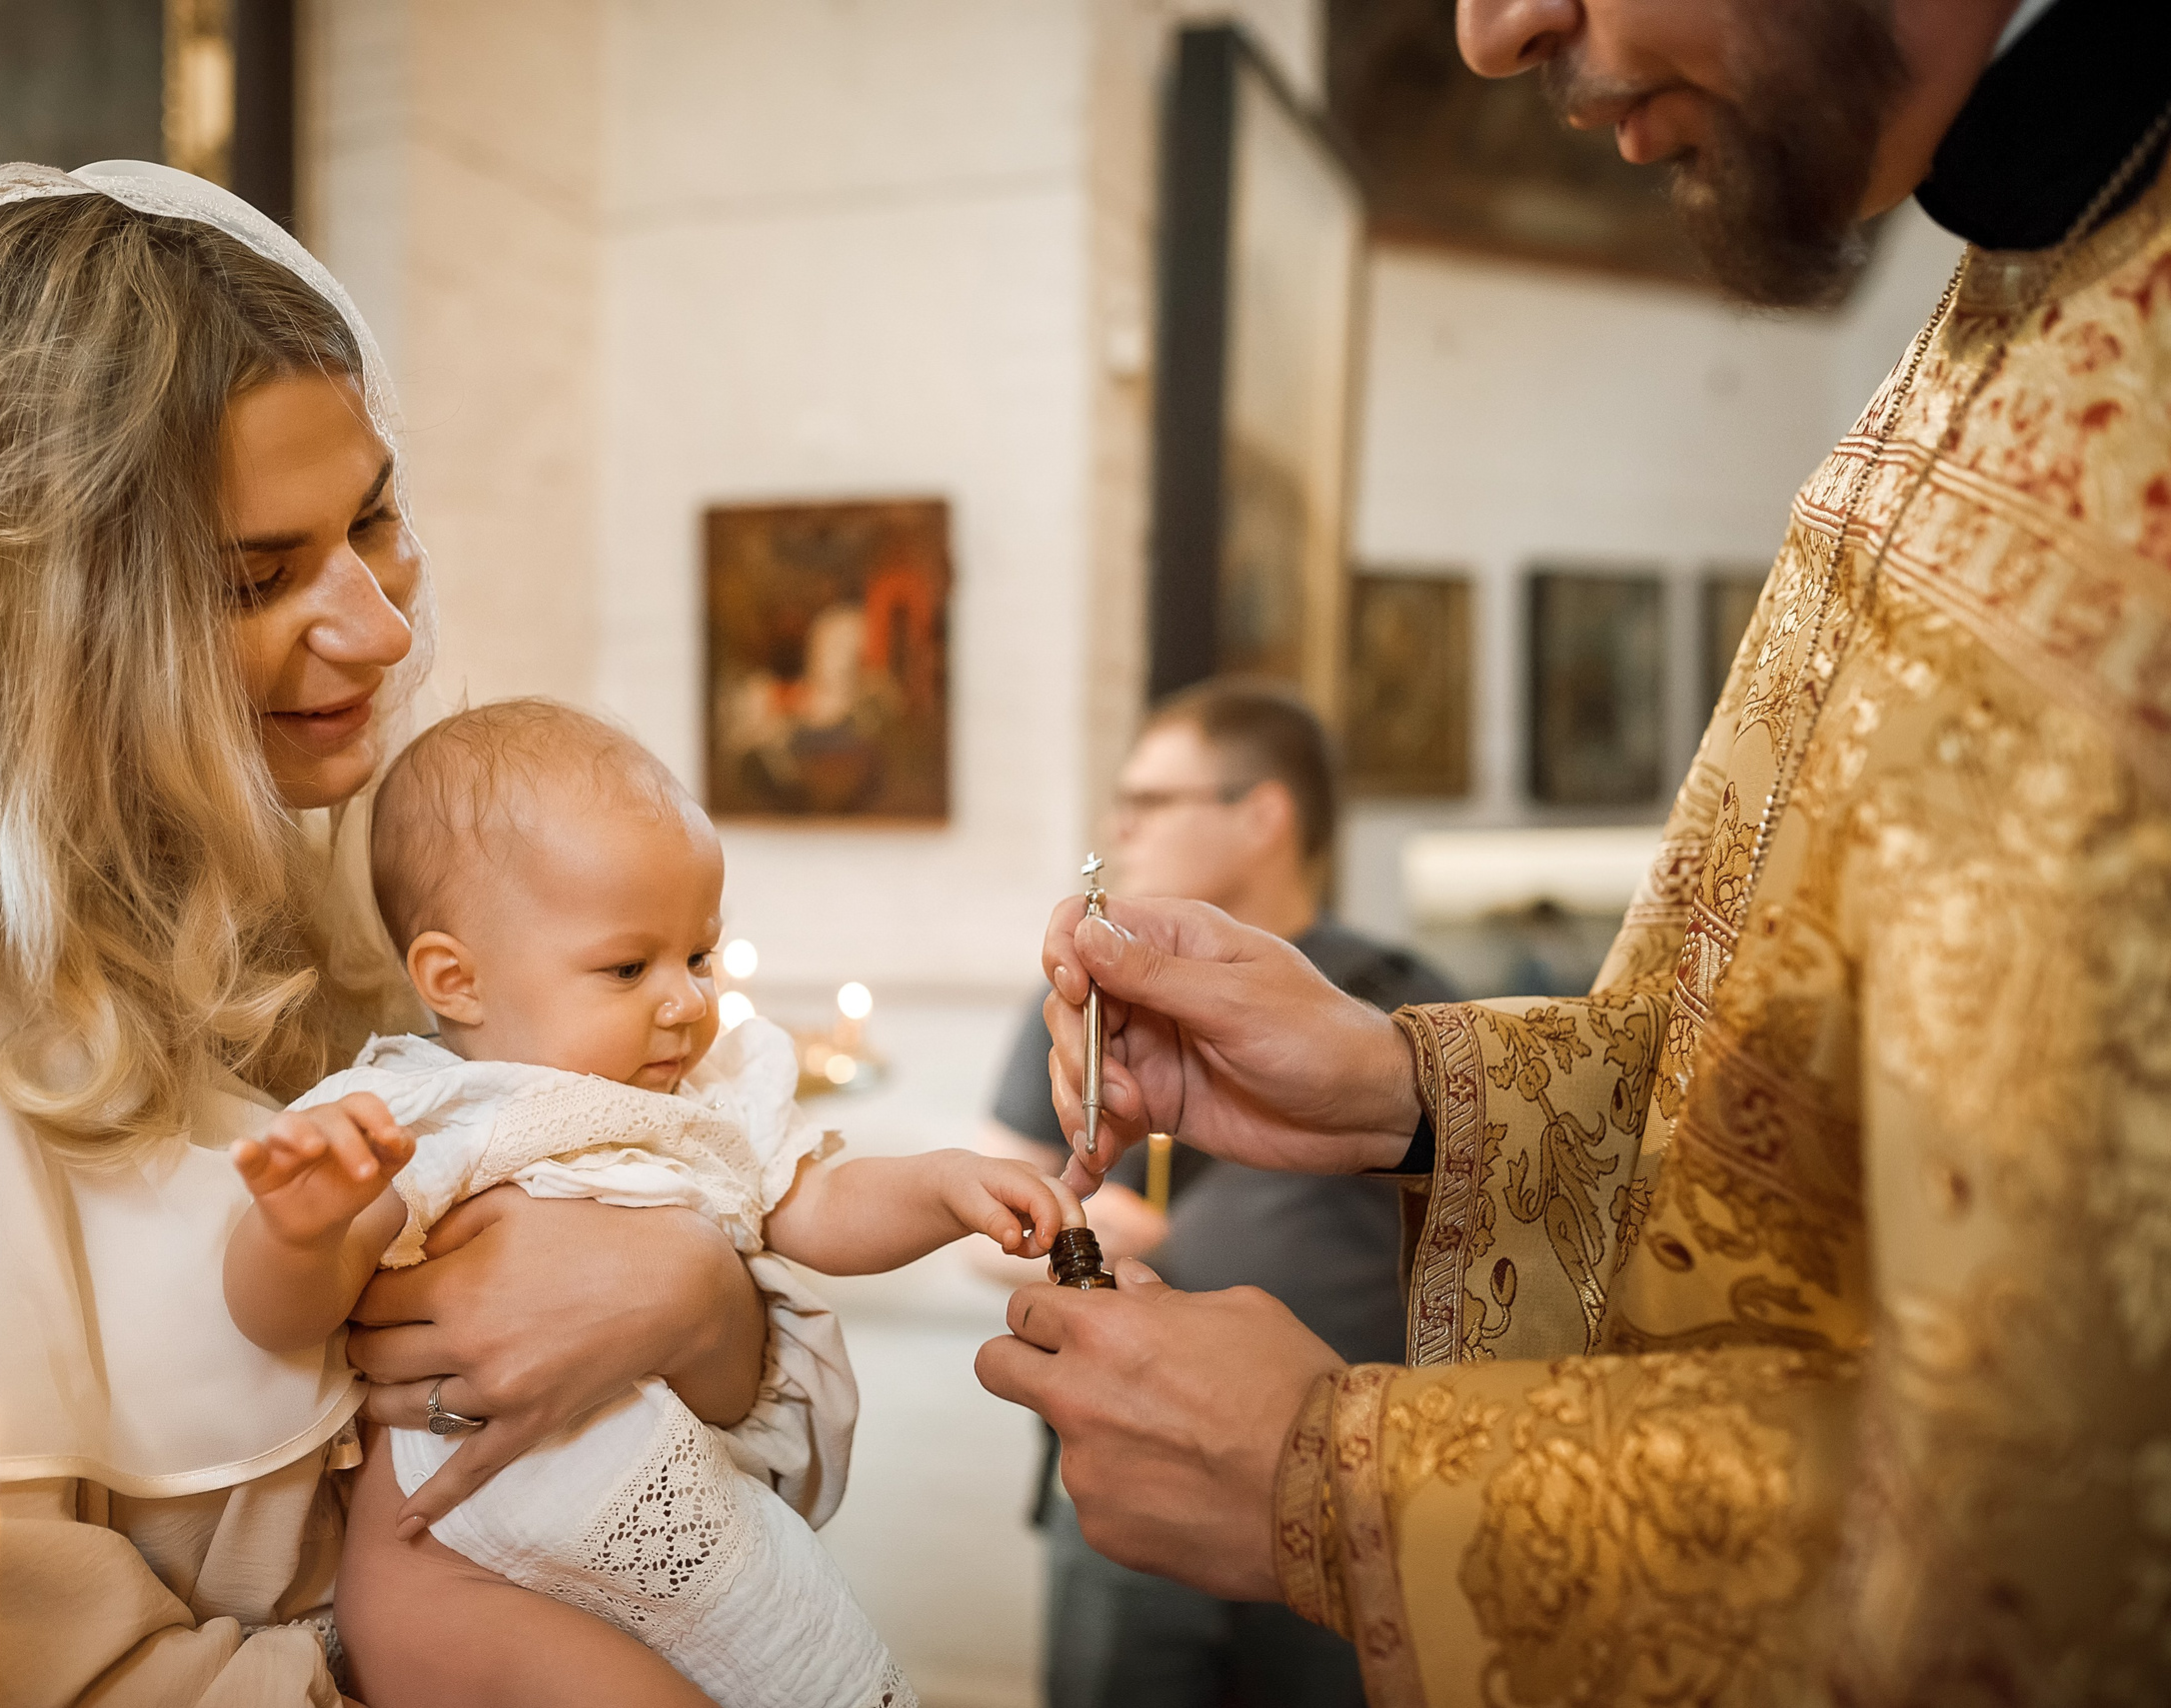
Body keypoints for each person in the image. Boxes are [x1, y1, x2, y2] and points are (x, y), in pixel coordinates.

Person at [980, 0, 2171, 1699]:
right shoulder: (2018, 281)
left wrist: (1348, 1483)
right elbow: (1778, 1149)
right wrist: (1412, 1088)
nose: (1488, 32)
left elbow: (2074, 1530)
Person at [0, 164, 849, 1704]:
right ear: (63, 610)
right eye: (257, 577)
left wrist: (695, 1299)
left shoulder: (364, 868)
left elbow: (761, 1463)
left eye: (376, 521)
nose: (383, 628)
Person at [228, 698, 1077, 1708]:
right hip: (454, 1568)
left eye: (699, 954)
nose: (683, 999)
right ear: (456, 978)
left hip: (659, 1526)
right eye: (628, 966)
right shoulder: (426, 1108)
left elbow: (820, 1206)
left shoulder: (710, 1093)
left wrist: (939, 1185)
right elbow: (280, 1311)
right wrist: (303, 1224)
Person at [980, 680, 1452, 1708]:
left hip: (1342, 1471)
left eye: (1152, 799)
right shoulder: (1089, 995)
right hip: (1124, 1457)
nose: (1120, 825)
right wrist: (1087, 1221)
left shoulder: (1412, 1004)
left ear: (1262, 812)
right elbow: (984, 1194)